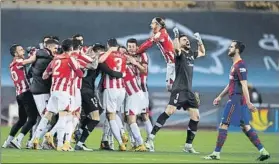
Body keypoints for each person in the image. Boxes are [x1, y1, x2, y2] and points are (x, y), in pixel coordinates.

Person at [204, 41, 270, 161]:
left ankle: (216, 153)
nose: (229, 48)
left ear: (237, 50)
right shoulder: (234, 65)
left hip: (236, 99)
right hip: (239, 99)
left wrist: (249, 103)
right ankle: (263, 151)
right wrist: (219, 96)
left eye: (231, 47)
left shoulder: (240, 66)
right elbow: (231, 84)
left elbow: (244, 85)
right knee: (246, 127)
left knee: (224, 124)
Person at [145, 28, 205, 152]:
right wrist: (176, 36)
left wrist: (199, 40)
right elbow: (176, 48)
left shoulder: (191, 55)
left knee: (195, 116)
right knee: (169, 111)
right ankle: (150, 139)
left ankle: (188, 146)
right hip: (178, 89)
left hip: (188, 91)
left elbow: (202, 52)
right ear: (179, 42)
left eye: (188, 40)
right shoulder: (179, 54)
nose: (187, 41)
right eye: (184, 40)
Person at [2, 44, 39, 149]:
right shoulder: (18, 62)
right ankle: (18, 140)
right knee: (32, 119)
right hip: (26, 93)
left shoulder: (12, 64)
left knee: (22, 120)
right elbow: (31, 60)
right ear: (15, 53)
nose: (23, 51)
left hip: (19, 95)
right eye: (21, 50)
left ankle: (7, 142)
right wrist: (35, 52)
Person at [136, 17, 175, 91]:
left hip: (174, 64)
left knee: (172, 88)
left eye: (152, 23)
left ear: (158, 25)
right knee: (170, 88)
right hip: (172, 63)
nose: (151, 25)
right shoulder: (162, 32)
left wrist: (137, 51)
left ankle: (191, 99)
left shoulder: (161, 34)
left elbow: (148, 44)